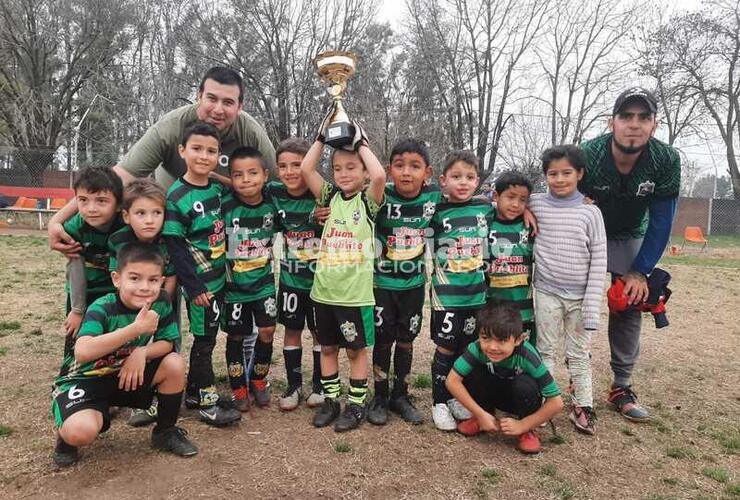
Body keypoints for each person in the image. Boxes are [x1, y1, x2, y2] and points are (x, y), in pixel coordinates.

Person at [49, 66, 276, 256]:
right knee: (164, 288)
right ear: (199, 96)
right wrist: (57, 220)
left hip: (223, 223)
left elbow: (281, 181)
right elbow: (119, 177)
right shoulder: (171, 127)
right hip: (170, 218)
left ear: (240, 106)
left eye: (228, 102)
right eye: (211, 98)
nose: (218, 109)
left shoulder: (251, 132)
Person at [579, 88, 680, 422]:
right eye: (626, 116)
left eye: (643, 117)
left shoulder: (666, 159)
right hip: (587, 233)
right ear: (612, 122)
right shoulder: (589, 154)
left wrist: (640, 270)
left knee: (628, 301)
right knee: (569, 300)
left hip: (632, 233)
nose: (634, 124)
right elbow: (566, 200)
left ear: (654, 124)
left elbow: (662, 220)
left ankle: (621, 385)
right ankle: (560, 377)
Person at [51, 242, 197, 467]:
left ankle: (165, 432)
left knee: (174, 363)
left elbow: (167, 343)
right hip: (86, 379)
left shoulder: (161, 303)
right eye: (135, 278)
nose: (145, 287)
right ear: (117, 279)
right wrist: (135, 330)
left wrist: (142, 351)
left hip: (126, 374)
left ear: (161, 281)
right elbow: (82, 352)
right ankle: (67, 436)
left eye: (153, 280)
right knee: (80, 432)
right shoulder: (102, 307)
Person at [301, 120, 386, 432]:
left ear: (362, 172)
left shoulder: (368, 201)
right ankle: (331, 401)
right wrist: (322, 136)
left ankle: (356, 403)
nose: (344, 174)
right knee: (327, 349)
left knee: (355, 350)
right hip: (323, 292)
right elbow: (307, 170)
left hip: (355, 296)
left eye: (352, 167)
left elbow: (379, 175)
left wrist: (361, 141)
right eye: (338, 168)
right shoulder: (329, 196)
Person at [161, 121, 241, 427]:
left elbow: (234, 185)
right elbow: (176, 247)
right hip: (200, 288)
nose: (203, 156)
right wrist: (194, 289)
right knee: (204, 341)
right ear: (182, 151)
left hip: (220, 279)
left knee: (210, 337)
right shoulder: (176, 196)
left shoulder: (216, 188)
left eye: (211, 151)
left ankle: (194, 391)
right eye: (196, 149)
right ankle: (208, 404)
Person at [529, 145, 607, 435]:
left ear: (580, 174)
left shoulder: (591, 212)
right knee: (544, 350)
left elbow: (599, 261)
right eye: (553, 173)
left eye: (567, 173)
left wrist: (591, 305)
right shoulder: (536, 203)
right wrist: (526, 212)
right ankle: (545, 403)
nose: (559, 179)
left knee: (579, 353)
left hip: (580, 297)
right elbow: (509, 201)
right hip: (547, 291)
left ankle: (583, 406)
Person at [366, 138, 440, 426]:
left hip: (412, 287)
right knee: (383, 340)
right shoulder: (379, 195)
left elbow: (471, 201)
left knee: (406, 341)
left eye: (415, 166)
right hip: (382, 285)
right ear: (389, 169)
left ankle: (401, 394)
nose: (407, 172)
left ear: (428, 173)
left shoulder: (434, 198)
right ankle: (380, 396)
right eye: (399, 166)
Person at [446, 302, 564, 454]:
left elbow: (556, 402)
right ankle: (482, 417)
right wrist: (480, 414)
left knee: (525, 384)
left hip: (519, 398)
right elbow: (452, 380)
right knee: (472, 372)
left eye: (502, 340)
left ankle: (527, 432)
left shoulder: (528, 356)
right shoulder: (475, 349)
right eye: (486, 338)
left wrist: (523, 424)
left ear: (518, 340)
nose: (493, 347)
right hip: (493, 392)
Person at [429, 150, 493, 431]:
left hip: (476, 296)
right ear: (443, 180)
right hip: (446, 297)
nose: (463, 182)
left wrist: (528, 209)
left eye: (469, 177)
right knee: (445, 348)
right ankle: (439, 402)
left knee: (467, 350)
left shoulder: (485, 209)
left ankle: (457, 397)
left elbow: (510, 206)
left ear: (478, 181)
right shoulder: (435, 211)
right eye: (456, 176)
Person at [107, 178, 178, 427]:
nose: (149, 220)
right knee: (119, 343)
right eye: (141, 213)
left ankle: (155, 400)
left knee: (167, 344)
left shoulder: (169, 238)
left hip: (162, 298)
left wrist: (161, 302)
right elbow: (117, 278)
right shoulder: (118, 240)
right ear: (126, 216)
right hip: (126, 302)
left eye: (156, 212)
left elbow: (172, 273)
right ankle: (112, 395)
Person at [221, 147, 280, 411]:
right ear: (231, 179)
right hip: (234, 287)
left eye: (253, 173)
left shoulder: (272, 203)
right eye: (238, 175)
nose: (246, 179)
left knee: (267, 330)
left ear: (265, 175)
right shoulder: (225, 205)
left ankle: (258, 380)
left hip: (264, 283)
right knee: (236, 336)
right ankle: (238, 387)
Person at [268, 138, 325, 411]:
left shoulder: (322, 194)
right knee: (291, 330)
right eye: (283, 166)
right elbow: (242, 184)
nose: (290, 172)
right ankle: (293, 386)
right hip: (290, 279)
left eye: (297, 165)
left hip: (320, 282)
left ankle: (320, 385)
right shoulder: (275, 192)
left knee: (319, 333)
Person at [62, 167, 124, 356]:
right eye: (83, 200)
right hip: (84, 292)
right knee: (77, 338)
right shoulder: (74, 228)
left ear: (119, 204)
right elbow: (76, 270)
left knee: (113, 341)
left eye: (101, 201)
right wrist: (78, 310)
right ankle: (69, 378)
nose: (91, 208)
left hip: (115, 292)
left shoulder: (126, 225)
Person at [487, 171, 536, 345]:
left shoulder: (530, 226)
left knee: (523, 353)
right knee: (493, 350)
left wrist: (529, 211)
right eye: (510, 197)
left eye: (522, 200)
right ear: (496, 196)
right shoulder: (486, 221)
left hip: (523, 310)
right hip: (492, 307)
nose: (516, 204)